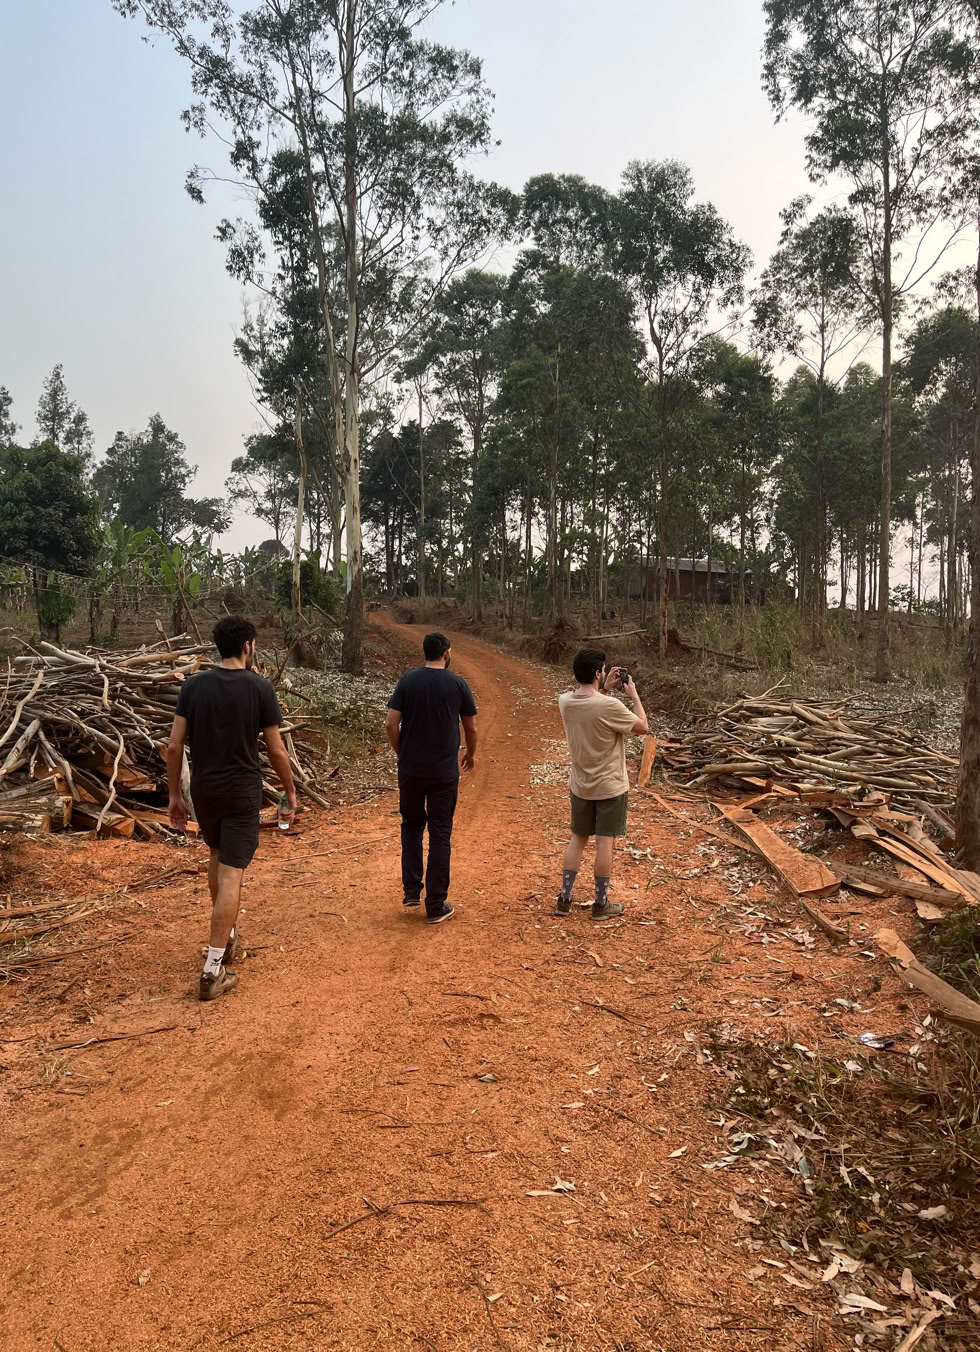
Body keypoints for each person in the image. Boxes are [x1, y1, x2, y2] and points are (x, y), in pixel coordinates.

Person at [167, 616, 297, 1001]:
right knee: (232, 874)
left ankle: (227, 938)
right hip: (241, 792)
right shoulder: (259, 688)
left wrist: (174, 796)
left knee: (217, 855)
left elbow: (174, 746)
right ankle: (212, 969)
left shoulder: (193, 686)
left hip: (204, 790)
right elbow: (276, 749)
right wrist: (290, 791)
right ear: (247, 647)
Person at [385, 632, 478, 924]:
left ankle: (412, 890)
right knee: (440, 833)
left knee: (411, 825)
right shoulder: (458, 684)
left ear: (424, 652)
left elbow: (391, 724)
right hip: (443, 773)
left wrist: (403, 753)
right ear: (446, 654)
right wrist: (471, 753)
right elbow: (471, 728)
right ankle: (436, 905)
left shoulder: (407, 681)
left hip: (410, 770)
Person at [556, 648, 649, 920]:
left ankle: (564, 899)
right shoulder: (611, 706)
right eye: (603, 671)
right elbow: (643, 727)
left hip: (581, 784)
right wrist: (633, 695)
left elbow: (591, 706)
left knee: (578, 838)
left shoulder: (565, 701)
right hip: (610, 785)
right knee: (605, 843)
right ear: (598, 673)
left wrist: (604, 688)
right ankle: (600, 903)